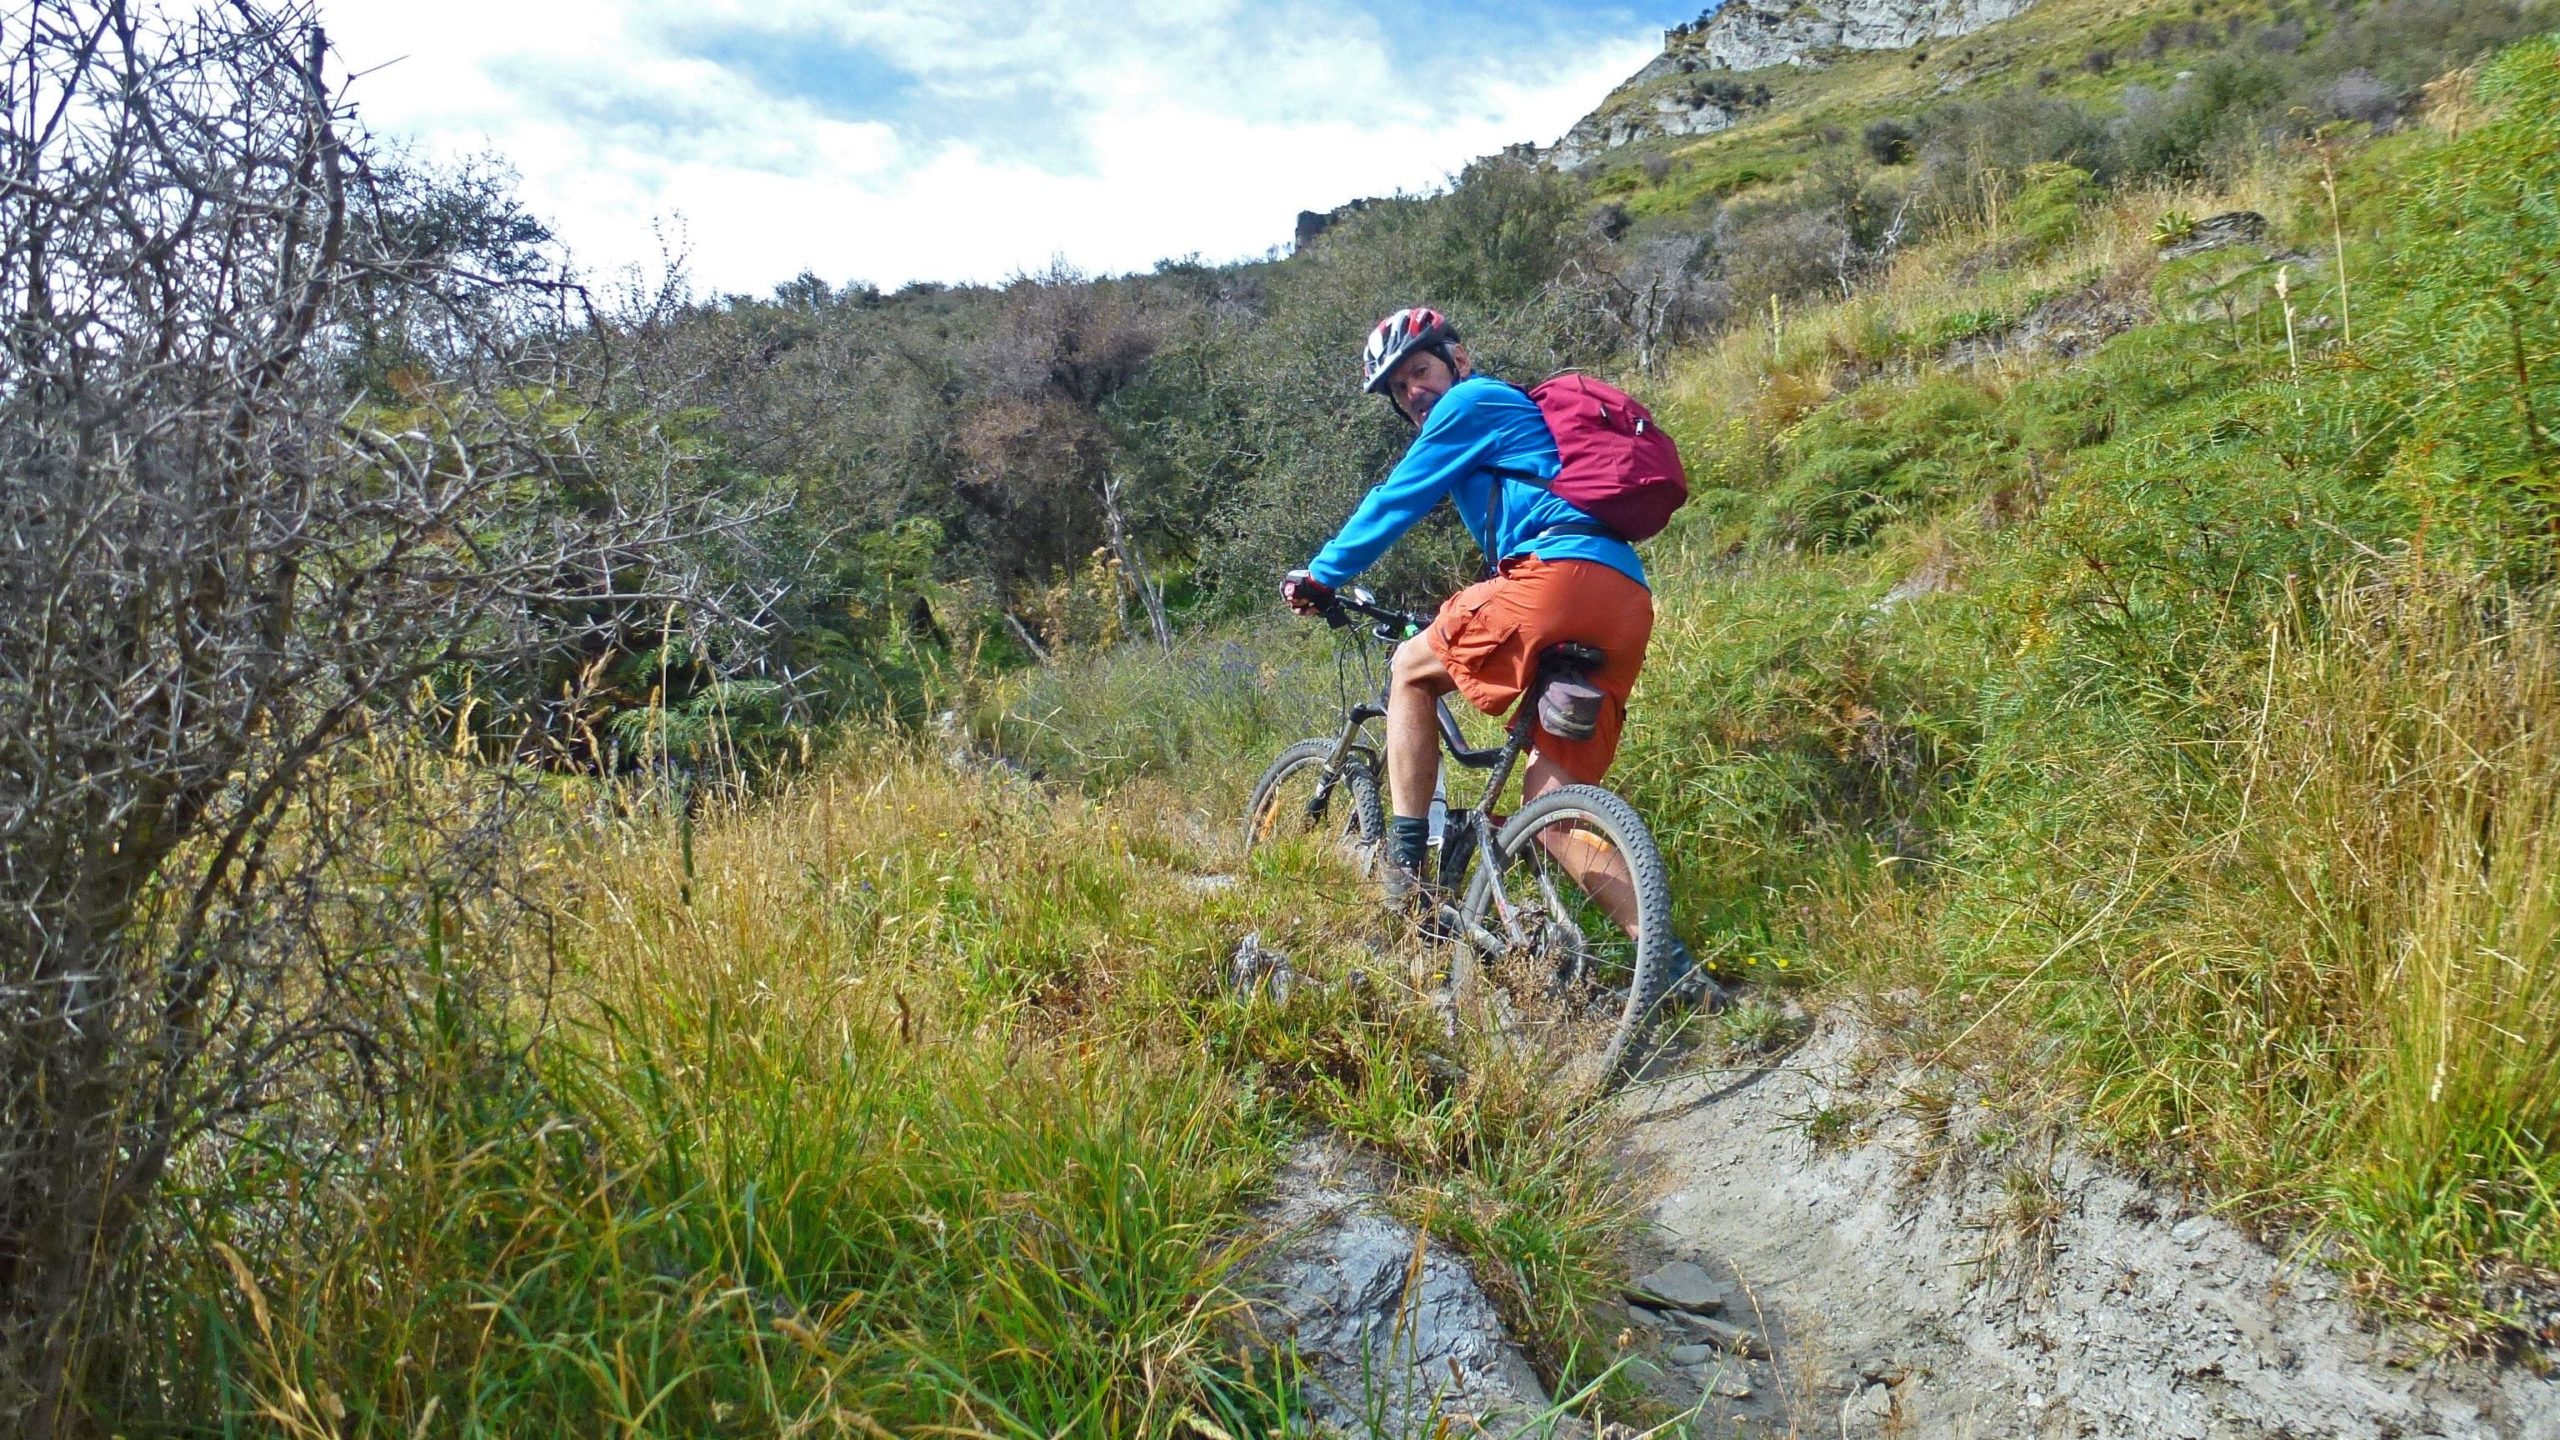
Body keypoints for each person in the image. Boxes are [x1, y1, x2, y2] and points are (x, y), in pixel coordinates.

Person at [1282, 307, 1709, 995]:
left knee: (1410, 672)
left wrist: (1320, 575)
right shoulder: (1505, 431)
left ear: (1459, 359)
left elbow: (1394, 500)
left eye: (1419, 370)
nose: (1413, 392)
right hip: (1623, 599)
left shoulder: (1474, 401)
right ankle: (1673, 967)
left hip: (1556, 579)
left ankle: (1403, 873)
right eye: (1398, 389)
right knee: (1552, 807)